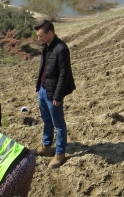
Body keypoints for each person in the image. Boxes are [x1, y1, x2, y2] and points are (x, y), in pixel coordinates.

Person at [34, 19, 75, 169]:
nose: (39, 38)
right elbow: (43, 67)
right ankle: (46, 147)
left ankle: (60, 153)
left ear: (50, 33)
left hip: (53, 93)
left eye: (40, 35)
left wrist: (58, 96)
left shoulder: (61, 48)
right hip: (43, 89)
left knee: (59, 124)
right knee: (46, 119)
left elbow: (64, 74)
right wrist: (38, 85)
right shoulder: (46, 46)